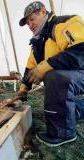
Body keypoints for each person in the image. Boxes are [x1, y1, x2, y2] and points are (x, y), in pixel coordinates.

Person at [18, 1, 84, 147]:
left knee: (53, 76)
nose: (30, 25)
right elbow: (30, 67)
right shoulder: (37, 43)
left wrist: (47, 65)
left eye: (32, 19)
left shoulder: (65, 23)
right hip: (72, 75)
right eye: (27, 23)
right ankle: (76, 110)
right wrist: (23, 89)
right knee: (53, 75)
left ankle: (63, 134)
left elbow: (81, 50)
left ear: (43, 12)